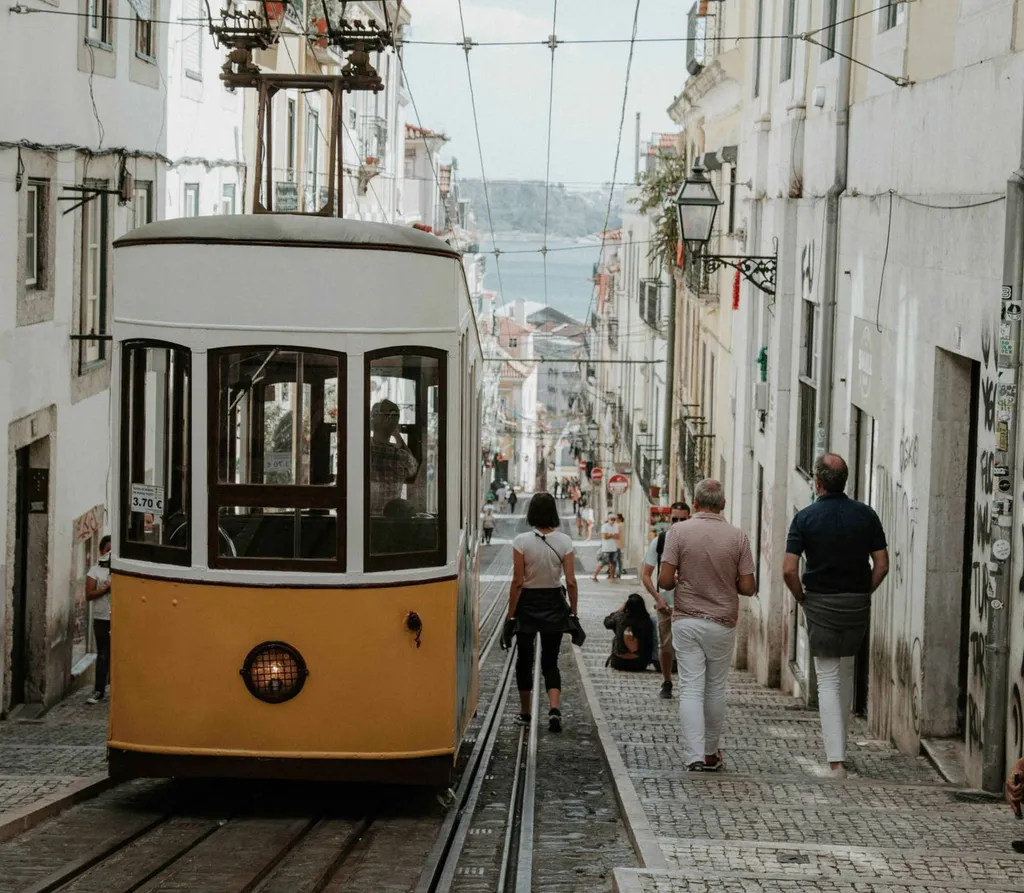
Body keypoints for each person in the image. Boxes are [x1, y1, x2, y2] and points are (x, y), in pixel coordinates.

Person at [783, 453, 889, 778]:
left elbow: (789, 569)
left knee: (827, 679)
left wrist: (803, 598)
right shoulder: (866, 515)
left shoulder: (805, 518)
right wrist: (863, 591)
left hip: (821, 603)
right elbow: (882, 564)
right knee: (846, 673)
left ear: (816, 482)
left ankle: (836, 762)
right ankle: (841, 749)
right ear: (845, 481)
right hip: (856, 603)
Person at [658, 480, 756, 772]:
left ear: (696, 503)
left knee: (690, 687)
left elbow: (664, 581)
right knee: (714, 688)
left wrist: (684, 579)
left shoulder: (678, 532)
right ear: (723, 504)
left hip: (687, 619)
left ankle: (694, 755)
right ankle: (711, 753)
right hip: (722, 622)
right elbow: (748, 587)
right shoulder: (738, 538)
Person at [507, 492, 579, 732]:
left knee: (524, 660)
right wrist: (573, 613)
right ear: (553, 513)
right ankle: (554, 709)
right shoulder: (565, 541)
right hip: (553, 602)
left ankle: (525, 713)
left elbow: (517, 581)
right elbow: (570, 582)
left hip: (528, 603)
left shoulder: (521, 541)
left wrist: (511, 615)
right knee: (551, 660)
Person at [641, 501, 691, 698]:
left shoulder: (695, 540)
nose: (678, 523)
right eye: (674, 519)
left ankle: (689, 685)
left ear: (690, 518)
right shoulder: (660, 541)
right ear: (669, 519)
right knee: (665, 645)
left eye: (682, 519)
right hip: (666, 603)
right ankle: (667, 681)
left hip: (690, 603)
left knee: (689, 646)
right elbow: (645, 575)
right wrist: (658, 597)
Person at [369, 399, 418, 514]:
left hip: (363, 521)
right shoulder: (403, 457)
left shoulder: (362, 450)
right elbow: (413, 469)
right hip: (390, 522)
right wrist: (396, 434)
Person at [85, 535, 113, 705]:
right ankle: (99, 690)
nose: (110, 554)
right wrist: (105, 589)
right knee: (103, 654)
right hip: (101, 617)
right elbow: (89, 594)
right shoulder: (95, 571)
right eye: (108, 550)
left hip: (117, 616)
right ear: (102, 551)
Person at [604, 593, 656, 671]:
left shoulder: (621, 619)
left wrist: (620, 610)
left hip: (618, 662)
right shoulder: (646, 622)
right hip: (639, 664)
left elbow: (607, 623)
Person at [592, 512, 621, 582]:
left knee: (613, 564)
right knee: (603, 563)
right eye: (611, 519)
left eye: (614, 519)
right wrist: (612, 535)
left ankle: (611, 577)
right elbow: (605, 536)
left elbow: (617, 536)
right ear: (608, 519)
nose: (612, 521)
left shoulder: (616, 526)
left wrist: (610, 535)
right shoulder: (604, 526)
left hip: (613, 548)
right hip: (606, 548)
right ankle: (595, 575)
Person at [614, 513, 626, 579]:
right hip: (617, 544)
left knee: (617, 559)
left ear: (620, 519)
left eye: (617, 518)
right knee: (618, 559)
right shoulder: (618, 524)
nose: (615, 520)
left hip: (617, 544)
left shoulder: (619, 525)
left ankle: (618, 573)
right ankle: (618, 573)